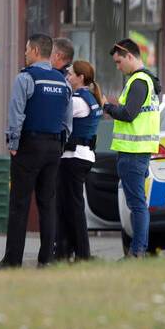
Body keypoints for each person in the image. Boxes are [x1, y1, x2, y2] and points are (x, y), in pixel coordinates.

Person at [0, 34, 72, 268]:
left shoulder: (26, 78)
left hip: (29, 146)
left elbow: (17, 112)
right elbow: (66, 121)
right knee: (47, 204)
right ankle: (46, 260)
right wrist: (60, 144)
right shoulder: (63, 82)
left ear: (35, 50)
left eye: (27, 49)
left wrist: (13, 143)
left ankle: (12, 261)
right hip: (53, 148)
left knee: (19, 203)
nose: (25, 53)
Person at [104, 39, 161, 257]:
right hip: (139, 152)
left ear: (129, 55)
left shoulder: (138, 81)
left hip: (133, 152)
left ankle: (137, 251)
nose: (118, 67)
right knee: (138, 204)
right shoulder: (148, 80)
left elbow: (128, 114)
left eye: (119, 62)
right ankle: (138, 250)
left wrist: (106, 106)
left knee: (137, 205)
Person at [55, 60, 103, 261]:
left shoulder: (77, 100)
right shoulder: (91, 98)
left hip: (73, 158)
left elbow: (57, 117)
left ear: (81, 78)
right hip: (82, 156)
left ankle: (82, 254)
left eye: (71, 74)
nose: (67, 77)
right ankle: (69, 251)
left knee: (72, 207)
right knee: (70, 205)